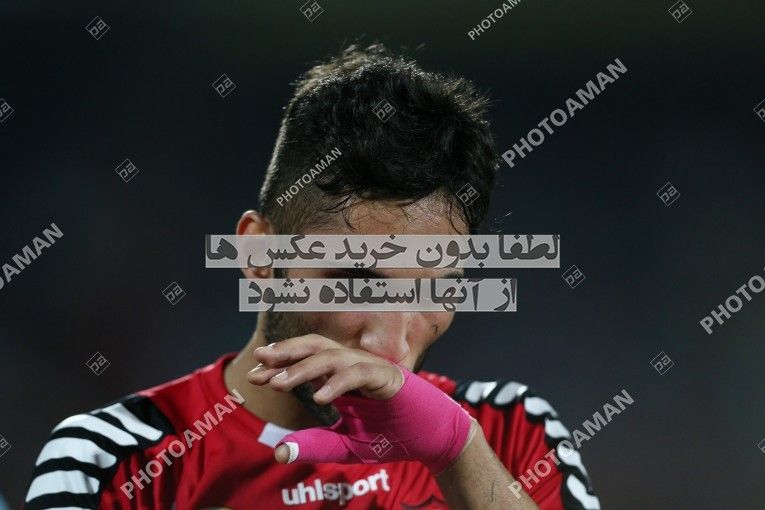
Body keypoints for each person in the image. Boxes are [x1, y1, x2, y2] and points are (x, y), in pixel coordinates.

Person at [24, 43, 599, 509]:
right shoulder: (111, 459)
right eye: (358, 283)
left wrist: (457, 452)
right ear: (259, 255)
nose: (391, 348)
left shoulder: (511, 433)